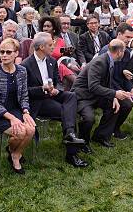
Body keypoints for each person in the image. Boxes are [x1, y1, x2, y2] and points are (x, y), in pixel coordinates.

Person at [21, 32, 87, 167]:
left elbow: (57, 81)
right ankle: (71, 154)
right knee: (68, 112)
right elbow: (24, 92)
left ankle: (69, 134)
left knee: (71, 96)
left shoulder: (51, 61)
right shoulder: (26, 65)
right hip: (38, 100)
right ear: (40, 47)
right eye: (50, 45)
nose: (54, 47)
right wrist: (42, 88)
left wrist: (56, 88)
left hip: (51, 94)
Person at [0, 38, 35, 174]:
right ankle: (15, 156)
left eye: (8, 52)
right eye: (1, 52)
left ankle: (14, 153)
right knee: (21, 132)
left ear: (16, 53)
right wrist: (12, 118)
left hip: (15, 110)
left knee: (31, 130)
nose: (4, 55)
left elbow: (24, 95)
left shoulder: (22, 71)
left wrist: (25, 112)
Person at [71, 39, 130, 150]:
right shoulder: (100, 62)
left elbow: (106, 82)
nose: (124, 53)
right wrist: (114, 94)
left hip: (95, 94)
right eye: (124, 51)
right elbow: (93, 86)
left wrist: (113, 97)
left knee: (116, 106)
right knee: (89, 118)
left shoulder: (110, 60)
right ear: (119, 52)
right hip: (83, 96)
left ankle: (100, 136)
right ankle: (83, 142)